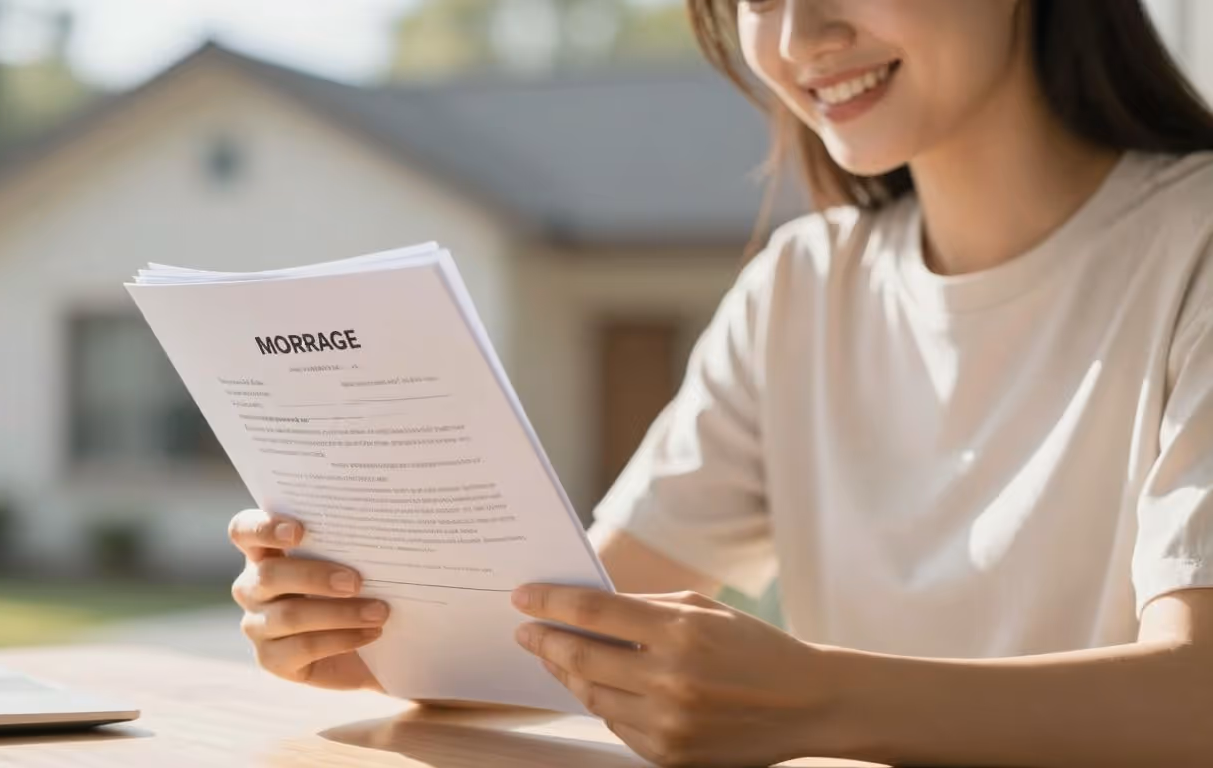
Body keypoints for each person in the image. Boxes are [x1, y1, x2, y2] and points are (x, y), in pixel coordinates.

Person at [228, 0, 1213, 764]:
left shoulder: (1194, 244)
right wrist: (384, 633)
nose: (796, 38)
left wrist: (819, 700)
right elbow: (565, 617)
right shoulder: (802, 287)